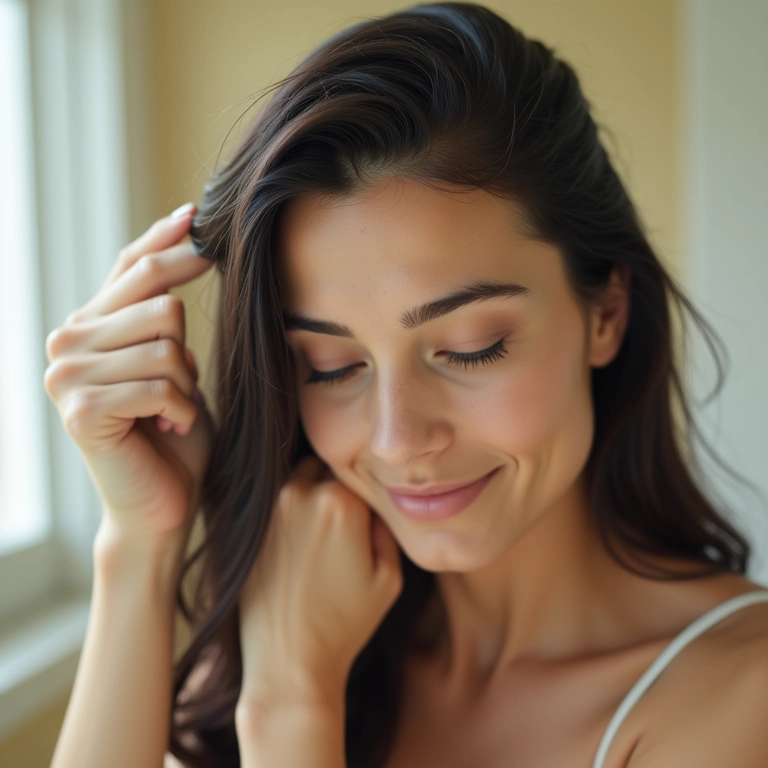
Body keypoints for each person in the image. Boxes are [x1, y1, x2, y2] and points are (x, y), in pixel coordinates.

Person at [43, 3, 768, 768]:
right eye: (332, 367)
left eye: (471, 348)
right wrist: (141, 541)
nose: (398, 439)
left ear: (606, 314)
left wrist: (293, 706)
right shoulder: (309, 628)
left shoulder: (738, 698)